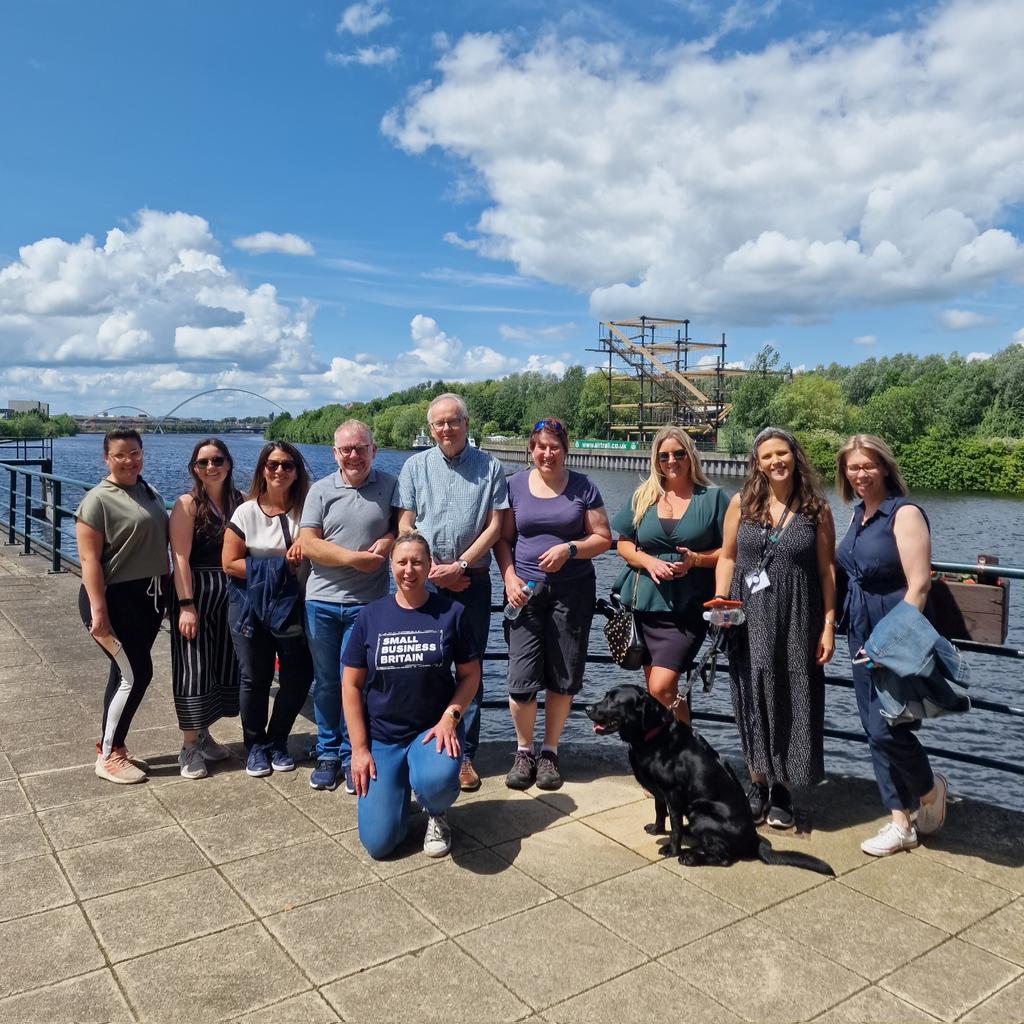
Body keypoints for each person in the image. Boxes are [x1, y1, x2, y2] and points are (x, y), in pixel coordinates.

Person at [714, 427, 836, 830]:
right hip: (748, 616)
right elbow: (728, 557)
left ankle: (783, 788)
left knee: (791, 696)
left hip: (797, 617)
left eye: (781, 453)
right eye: (766, 456)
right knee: (749, 695)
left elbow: (826, 570)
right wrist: (721, 601)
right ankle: (757, 780)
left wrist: (829, 625)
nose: (775, 462)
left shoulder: (815, 509)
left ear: (794, 455)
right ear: (757, 462)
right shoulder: (741, 503)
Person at [835, 434, 948, 856]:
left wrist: (889, 643)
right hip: (860, 628)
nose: (860, 474)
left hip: (895, 630)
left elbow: (918, 586)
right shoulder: (857, 515)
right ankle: (901, 822)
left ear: (884, 467)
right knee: (872, 724)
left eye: (867, 466)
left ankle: (929, 790)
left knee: (888, 727)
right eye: (852, 467)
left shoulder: (904, 513)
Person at [341, 532, 481, 859]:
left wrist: (451, 718)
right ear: (390, 566)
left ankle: (436, 811)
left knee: (438, 780)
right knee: (379, 844)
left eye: (417, 562)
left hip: (432, 731)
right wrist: (359, 750)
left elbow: (470, 674)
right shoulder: (370, 616)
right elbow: (350, 685)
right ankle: (396, 797)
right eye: (401, 562)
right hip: (383, 736)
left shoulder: (451, 613)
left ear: (430, 565)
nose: (409, 569)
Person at [397, 392, 508, 791]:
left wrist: (458, 566)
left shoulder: (490, 467)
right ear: (431, 429)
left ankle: (462, 755)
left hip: (470, 582)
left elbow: (496, 527)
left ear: (467, 424)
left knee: (469, 667)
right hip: (423, 581)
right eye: (439, 423)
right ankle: (422, 748)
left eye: (453, 421)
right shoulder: (414, 466)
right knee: (421, 666)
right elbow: (406, 523)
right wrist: (429, 572)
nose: (446, 429)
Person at [495, 418, 611, 790]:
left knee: (563, 675)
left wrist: (570, 549)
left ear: (566, 449)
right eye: (541, 446)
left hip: (572, 592)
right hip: (524, 592)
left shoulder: (583, 487)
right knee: (520, 678)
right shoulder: (513, 485)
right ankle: (524, 750)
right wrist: (509, 577)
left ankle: (549, 753)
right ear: (531, 448)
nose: (548, 453)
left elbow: (604, 538)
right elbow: (503, 540)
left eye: (555, 447)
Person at [299, 420, 397, 794]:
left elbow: (399, 526)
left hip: (367, 606)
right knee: (325, 682)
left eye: (360, 448)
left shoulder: (388, 485)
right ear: (334, 453)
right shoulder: (320, 490)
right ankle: (326, 751)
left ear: (373, 449)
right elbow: (309, 543)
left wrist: (388, 540)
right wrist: (353, 559)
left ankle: (350, 752)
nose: (353, 455)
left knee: (354, 681)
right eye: (346, 449)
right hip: (322, 601)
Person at [611, 426, 728, 725]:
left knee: (661, 687)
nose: (671, 461)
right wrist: (649, 562)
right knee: (658, 692)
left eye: (678, 453)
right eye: (664, 456)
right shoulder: (645, 496)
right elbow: (624, 544)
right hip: (645, 607)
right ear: (656, 459)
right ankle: (671, 759)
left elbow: (730, 552)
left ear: (691, 455)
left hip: (687, 609)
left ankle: (687, 753)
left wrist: (697, 560)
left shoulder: (713, 499)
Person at [75, 428, 169, 784]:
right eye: (120, 455)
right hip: (112, 601)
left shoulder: (149, 491)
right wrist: (99, 612)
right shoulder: (97, 500)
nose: (129, 461)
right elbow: (89, 562)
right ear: (107, 459)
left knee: (123, 674)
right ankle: (107, 755)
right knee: (137, 673)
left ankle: (116, 744)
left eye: (135, 453)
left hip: (146, 600)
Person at [222, 441, 314, 778]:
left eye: (287, 465)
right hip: (251, 610)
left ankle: (278, 739)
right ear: (263, 468)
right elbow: (229, 563)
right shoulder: (246, 512)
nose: (279, 471)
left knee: (298, 677)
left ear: (297, 471)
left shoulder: (307, 510)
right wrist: (279, 567)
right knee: (255, 677)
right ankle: (255, 745)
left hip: (294, 609)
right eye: (273, 464)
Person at [169, 438, 242, 780]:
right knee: (193, 668)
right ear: (194, 468)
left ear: (228, 464)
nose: (210, 467)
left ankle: (205, 734)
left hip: (229, 594)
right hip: (196, 593)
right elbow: (180, 556)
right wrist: (186, 605)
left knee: (220, 666)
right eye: (203, 462)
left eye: (217, 460)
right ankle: (188, 746)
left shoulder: (240, 502)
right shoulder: (186, 505)